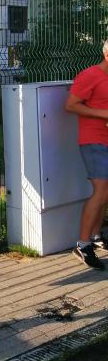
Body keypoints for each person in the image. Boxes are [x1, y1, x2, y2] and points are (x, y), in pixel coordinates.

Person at [65, 40, 108, 269]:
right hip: (94, 140)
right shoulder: (90, 75)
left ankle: (95, 236)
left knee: (106, 191)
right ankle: (82, 245)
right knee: (101, 190)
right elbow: (71, 105)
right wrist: (102, 113)